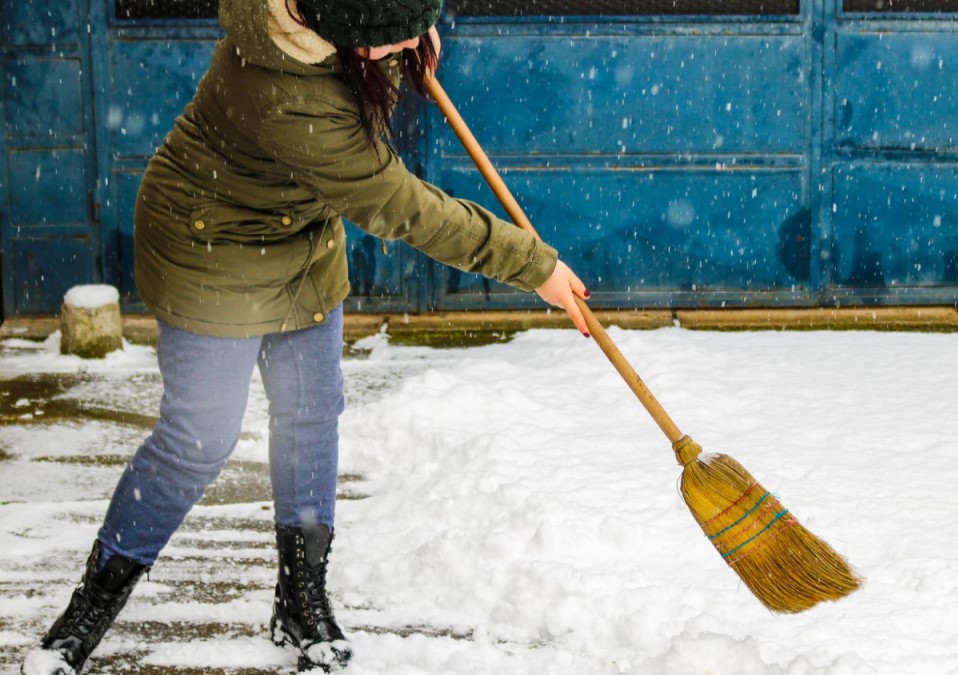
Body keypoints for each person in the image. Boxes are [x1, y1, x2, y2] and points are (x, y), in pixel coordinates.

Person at [22, 0, 589, 672]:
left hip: (301, 239)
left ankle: (301, 599)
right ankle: (88, 611)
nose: (410, 40)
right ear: (347, 34)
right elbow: (400, 205)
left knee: (311, 416)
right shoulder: (289, 94)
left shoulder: (316, 17)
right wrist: (535, 266)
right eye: (391, 34)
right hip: (210, 247)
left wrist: (406, 36)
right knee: (199, 437)